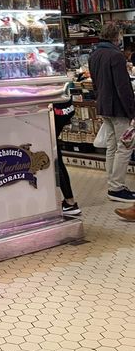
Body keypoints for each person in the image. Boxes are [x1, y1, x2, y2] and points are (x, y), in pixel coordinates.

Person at [88, 22, 135, 202]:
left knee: (112, 146)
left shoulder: (95, 55)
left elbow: (95, 83)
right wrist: (132, 110)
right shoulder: (116, 56)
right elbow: (123, 87)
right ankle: (116, 188)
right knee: (125, 146)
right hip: (118, 108)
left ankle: (112, 183)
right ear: (118, 36)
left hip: (104, 106)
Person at [53, 84, 81, 216]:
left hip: (52, 108)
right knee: (55, 154)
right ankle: (69, 201)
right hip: (63, 106)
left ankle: (70, 202)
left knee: (54, 156)